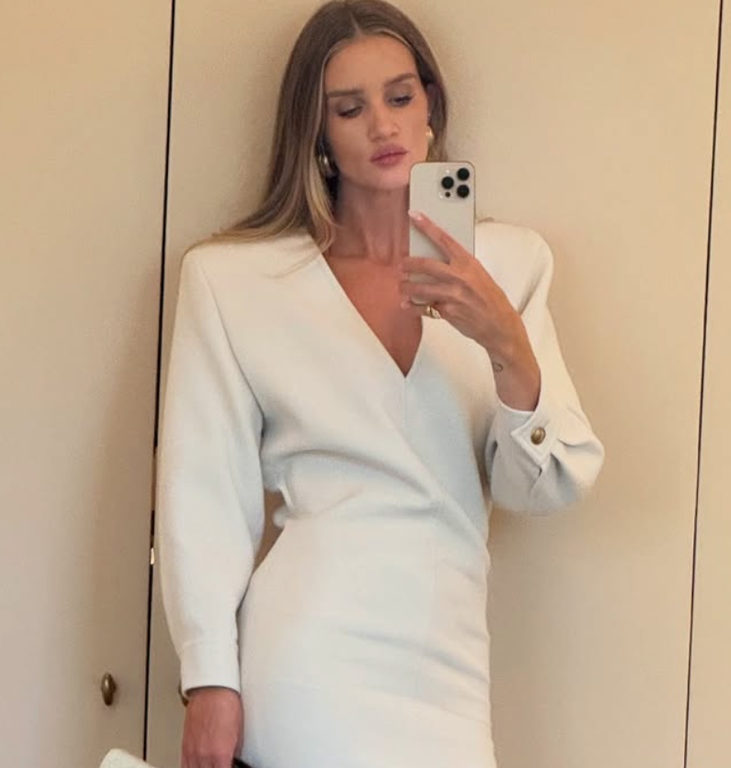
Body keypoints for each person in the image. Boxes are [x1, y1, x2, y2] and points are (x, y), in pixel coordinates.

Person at [155, 2, 605, 767]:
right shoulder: (235, 282)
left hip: (448, 666)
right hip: (305, 662)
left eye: (400, 96)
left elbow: (542, 488)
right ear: (318, 132)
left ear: (431, 105)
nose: (382, 125)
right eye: (349, 108)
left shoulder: (509, 263)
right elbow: (202, 495)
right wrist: (209, 680)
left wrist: (504, 342)